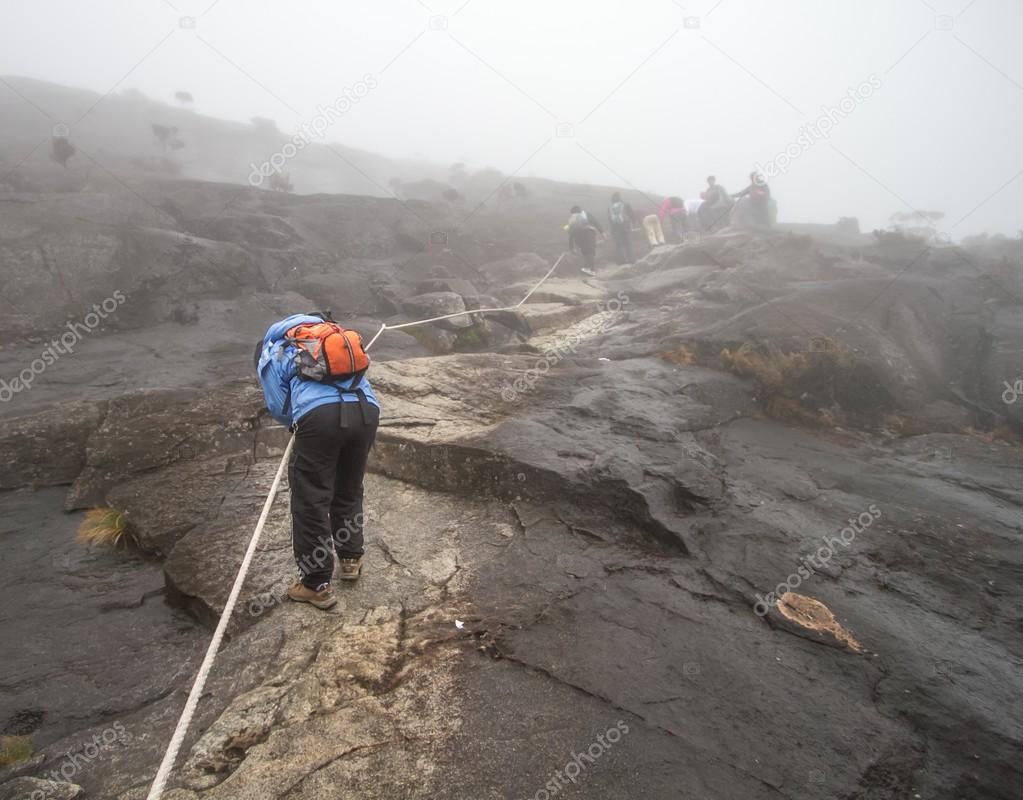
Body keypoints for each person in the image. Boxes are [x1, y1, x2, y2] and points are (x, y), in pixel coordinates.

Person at [256, 314, 381, 610]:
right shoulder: (333, 336)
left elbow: (278, 405)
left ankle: (315, 584)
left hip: (319, 418)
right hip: (366, 412)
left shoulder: (276, 347)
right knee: (349, 487)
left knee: (311, 499)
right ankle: (351, 559)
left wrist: (298, 423)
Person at [566, 205, 603, 276]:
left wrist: (571, 248)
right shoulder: (585, 215)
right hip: (589, 234)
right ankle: (591, 270)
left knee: (585, 252)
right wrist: (602, 232)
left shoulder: (572, 219)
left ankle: (588, 268)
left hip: (579, 237)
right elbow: (595, 222)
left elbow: (571, 233)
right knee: (590, 252)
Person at [607, 192, 636, 264]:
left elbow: (610, 219)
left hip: (615, 227)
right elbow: (632, 214)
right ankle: (632, 260)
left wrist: (612, 230)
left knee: (619, 244)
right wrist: (633, 222)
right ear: (620, 197)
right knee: (628, 243)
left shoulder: (610, 207)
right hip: (625, 225)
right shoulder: (625, 204)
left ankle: (623, 260)